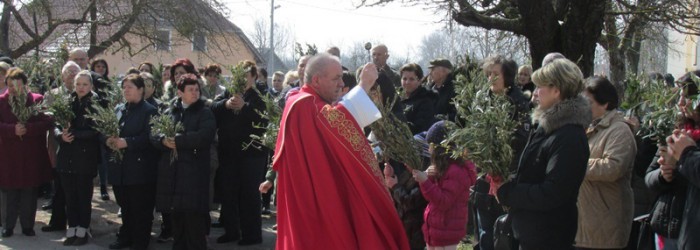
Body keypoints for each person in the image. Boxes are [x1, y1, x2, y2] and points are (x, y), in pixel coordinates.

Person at [272, 53, 409, 249]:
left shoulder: (302, 99)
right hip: (315, 199)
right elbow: (335, 121)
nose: (341, 83)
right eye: (336, 78)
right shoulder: (303, 103)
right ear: (317, 80)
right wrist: (363, 86)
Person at [495, 58, 591, 249]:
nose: (536, 93)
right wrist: (507, 180)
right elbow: (532, 173)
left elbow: (553, 193)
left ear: (556, 90)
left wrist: (508, 192)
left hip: (548, 235)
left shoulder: (569, 136)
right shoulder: (548, 127)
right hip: (532, 232)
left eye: (540, 87)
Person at [471, 55, 531, 250]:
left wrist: (497, 143)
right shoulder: (481, 99)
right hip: (483, 177)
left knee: (504, 235)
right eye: (488, 74)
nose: (490, 78)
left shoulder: (518, 102)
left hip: (507, 177)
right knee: (485, 233)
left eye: (495, 74)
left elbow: (522, 139)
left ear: (508, 76)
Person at [152, 73, 216, 250]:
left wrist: (178, 141)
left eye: (197, 89)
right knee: (177, 223)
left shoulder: (205, 112)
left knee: (194, 225)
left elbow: (205, 135)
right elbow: (154, 132)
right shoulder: (169, 110)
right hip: (172, 175)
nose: (195, 93)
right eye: (190, 90)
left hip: (194, 175)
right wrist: (163, 140)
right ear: (180, 92)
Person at [575, 76, 636, 249]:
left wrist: (576, 164)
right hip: (588, 221)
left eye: (589, 102)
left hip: (605, 223)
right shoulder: (591, 126)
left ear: (605, 104)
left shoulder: (619, 130)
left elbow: (613, 168)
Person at [212, 60, 268, 246]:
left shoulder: (260, 95)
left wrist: (245, 107)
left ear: (253, 76)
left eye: (246, 75)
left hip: (252, 154)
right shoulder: (229, 93)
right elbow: (213, 108)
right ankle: (231, 231)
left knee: (249, 195)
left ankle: (252, 235)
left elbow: (264, 119)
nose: (242, 79)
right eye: (239, 75)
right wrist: (226, 105)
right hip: (229, 152)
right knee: (228, 192)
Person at [645, 71, 700, 250]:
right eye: (680, 96)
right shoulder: (675, 131)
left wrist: (684, 157)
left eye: (688, 97)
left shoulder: (686, 146)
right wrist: (663, 175)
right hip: (668, 224)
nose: (681, 103)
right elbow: (648, 175)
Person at [107, 74, 158, 250]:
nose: (126, 90)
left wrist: (128, 142)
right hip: (120, 169)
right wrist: (108, 140)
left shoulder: (150, 111)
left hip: (140, 170)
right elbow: (108, 130)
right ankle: (125, 237)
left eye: (130, 87)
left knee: (140, 209)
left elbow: (151, 137)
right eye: (124, 87)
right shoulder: (119, 109)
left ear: (141, 89)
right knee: (126, 207)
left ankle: (140, 241)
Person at [0, 68, 53, 237]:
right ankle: (7, 226)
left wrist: (27, 129)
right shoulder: (1, 101)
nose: (13, 89)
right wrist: (11, 130)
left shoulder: (36, 100)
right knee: (9, 192)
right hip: (8, 155)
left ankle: (27, 226)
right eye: (10, 86)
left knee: (29, 192)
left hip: (31, 154)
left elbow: (47, 122)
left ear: (25, 84)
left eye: (17, 85)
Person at [412, 121, 477, 250]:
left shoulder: (456, 171)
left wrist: (425, 181)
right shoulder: (443, 168)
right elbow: (431, 197)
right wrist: (427, 179)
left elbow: (444, 201)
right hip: (436, 230)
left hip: (447, 233)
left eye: (431, 145)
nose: (429, 149)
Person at [55, 70, 102, 246]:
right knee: (70, 196)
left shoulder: (96, 103)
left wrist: (74, 134)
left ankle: (83, 229)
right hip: (66, 156)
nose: (81, 88)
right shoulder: (67, 101)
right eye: (78, 84)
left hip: (85, 158)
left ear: (90, 86)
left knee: (83, 196)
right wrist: (61, 135)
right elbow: (56, 125)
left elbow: (95, 131)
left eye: (85, 84)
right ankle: (72, 228)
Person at [400, 63, 436, 135]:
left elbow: (420, 128)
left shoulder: (426, 100)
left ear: (419, 81)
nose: (407, 82)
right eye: (404, 79)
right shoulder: (397, 98)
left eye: (411, 79)